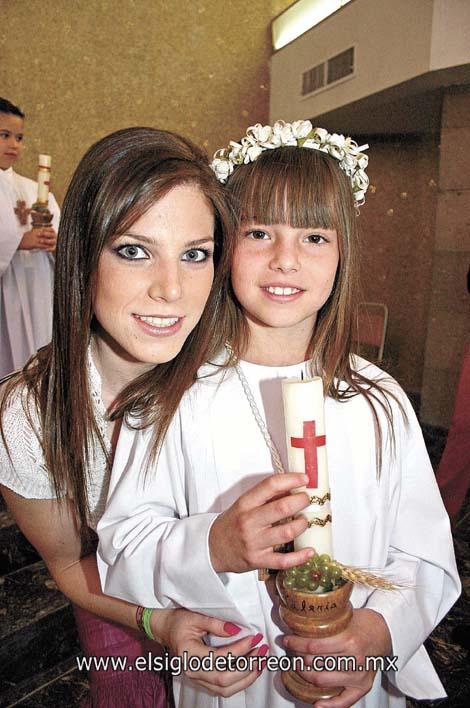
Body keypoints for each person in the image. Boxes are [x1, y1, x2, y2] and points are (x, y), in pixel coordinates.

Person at [97, 122, 460, 708]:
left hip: (349, 675)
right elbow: (122, 547)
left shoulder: (380, 399)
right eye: (259, 232)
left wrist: (374, 634)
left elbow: (423, 556)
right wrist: (212, 544)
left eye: (315, 237)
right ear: (223, 243)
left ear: (344, 251)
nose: (285, 260)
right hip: (231, 676)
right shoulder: (170, 396)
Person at [0, 126, 268, 706]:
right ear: (81, 255)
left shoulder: (235, 375)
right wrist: (158, 624)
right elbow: (71, 564)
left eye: (195, 254)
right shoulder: (30, 415)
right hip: (121, 605)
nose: (171, 289)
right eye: (134, 250)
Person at [0, 97, 60, 377]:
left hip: (36, 290)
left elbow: (60, 235)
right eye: (5, 135)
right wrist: (21, 242)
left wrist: (54, 244)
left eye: (19, 137)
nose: (14, 145)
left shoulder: (33, 188)